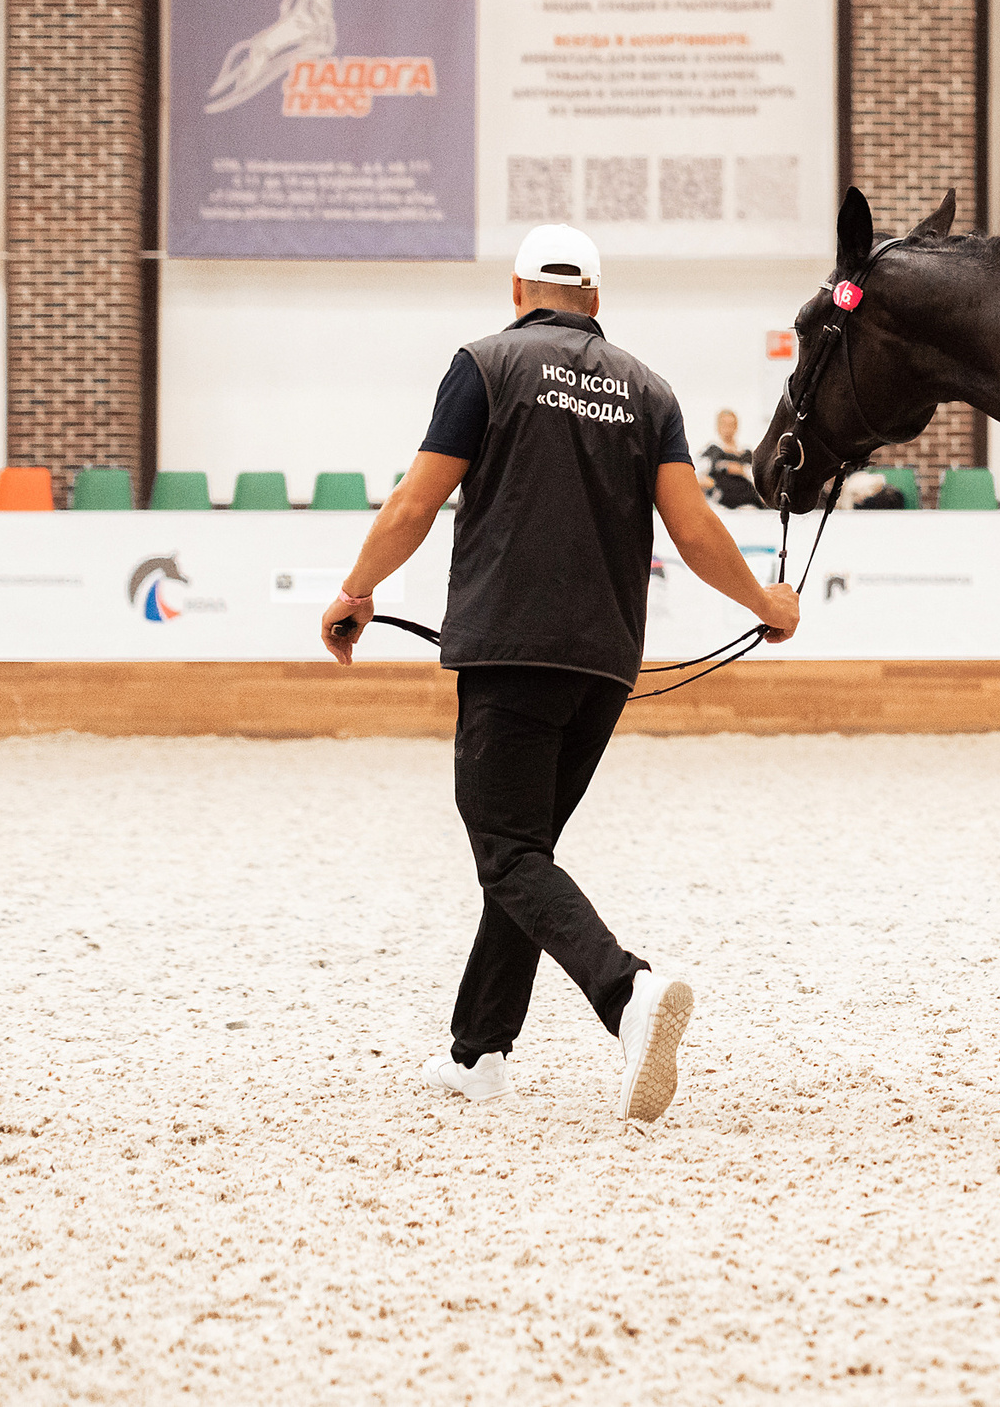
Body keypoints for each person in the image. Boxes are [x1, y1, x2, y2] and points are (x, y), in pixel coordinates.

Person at [320, 223, 800, 1121]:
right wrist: (762, 604)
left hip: (510, 648)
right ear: (596, 301)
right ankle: (479, 1051)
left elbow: (416, 499)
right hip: (605, 665)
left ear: (516, 291)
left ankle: (628, 995)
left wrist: (357, 589)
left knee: (504, 851)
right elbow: (695, 528)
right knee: (525, 853)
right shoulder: (649, 388)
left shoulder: (484, 365)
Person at [700, 408, 760, 510]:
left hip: (749, 507)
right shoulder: (712, 452)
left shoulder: (746, 454)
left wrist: (741, 470)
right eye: (724, 424)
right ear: (718, 427)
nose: (727, 428)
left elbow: (759, 480)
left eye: (731, 424)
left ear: (736, 426)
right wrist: (713, 484)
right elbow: (697, 477)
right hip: (721, 507)